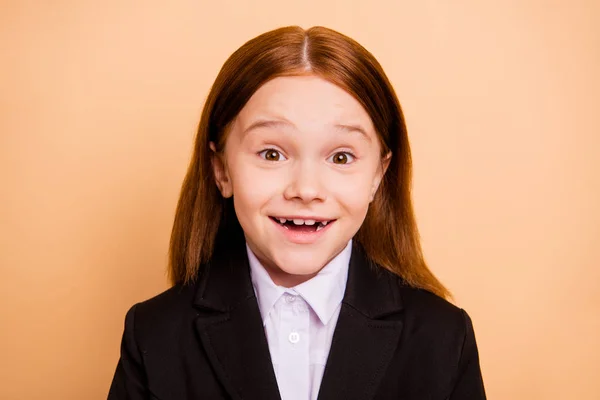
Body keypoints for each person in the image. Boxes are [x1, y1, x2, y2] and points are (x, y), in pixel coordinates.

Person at [108, 25, 486, 400]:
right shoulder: (154, 334)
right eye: (271, 153)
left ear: (377, 175)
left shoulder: (443, 339)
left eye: (341, 157)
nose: (306, 190)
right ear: (221, 170)